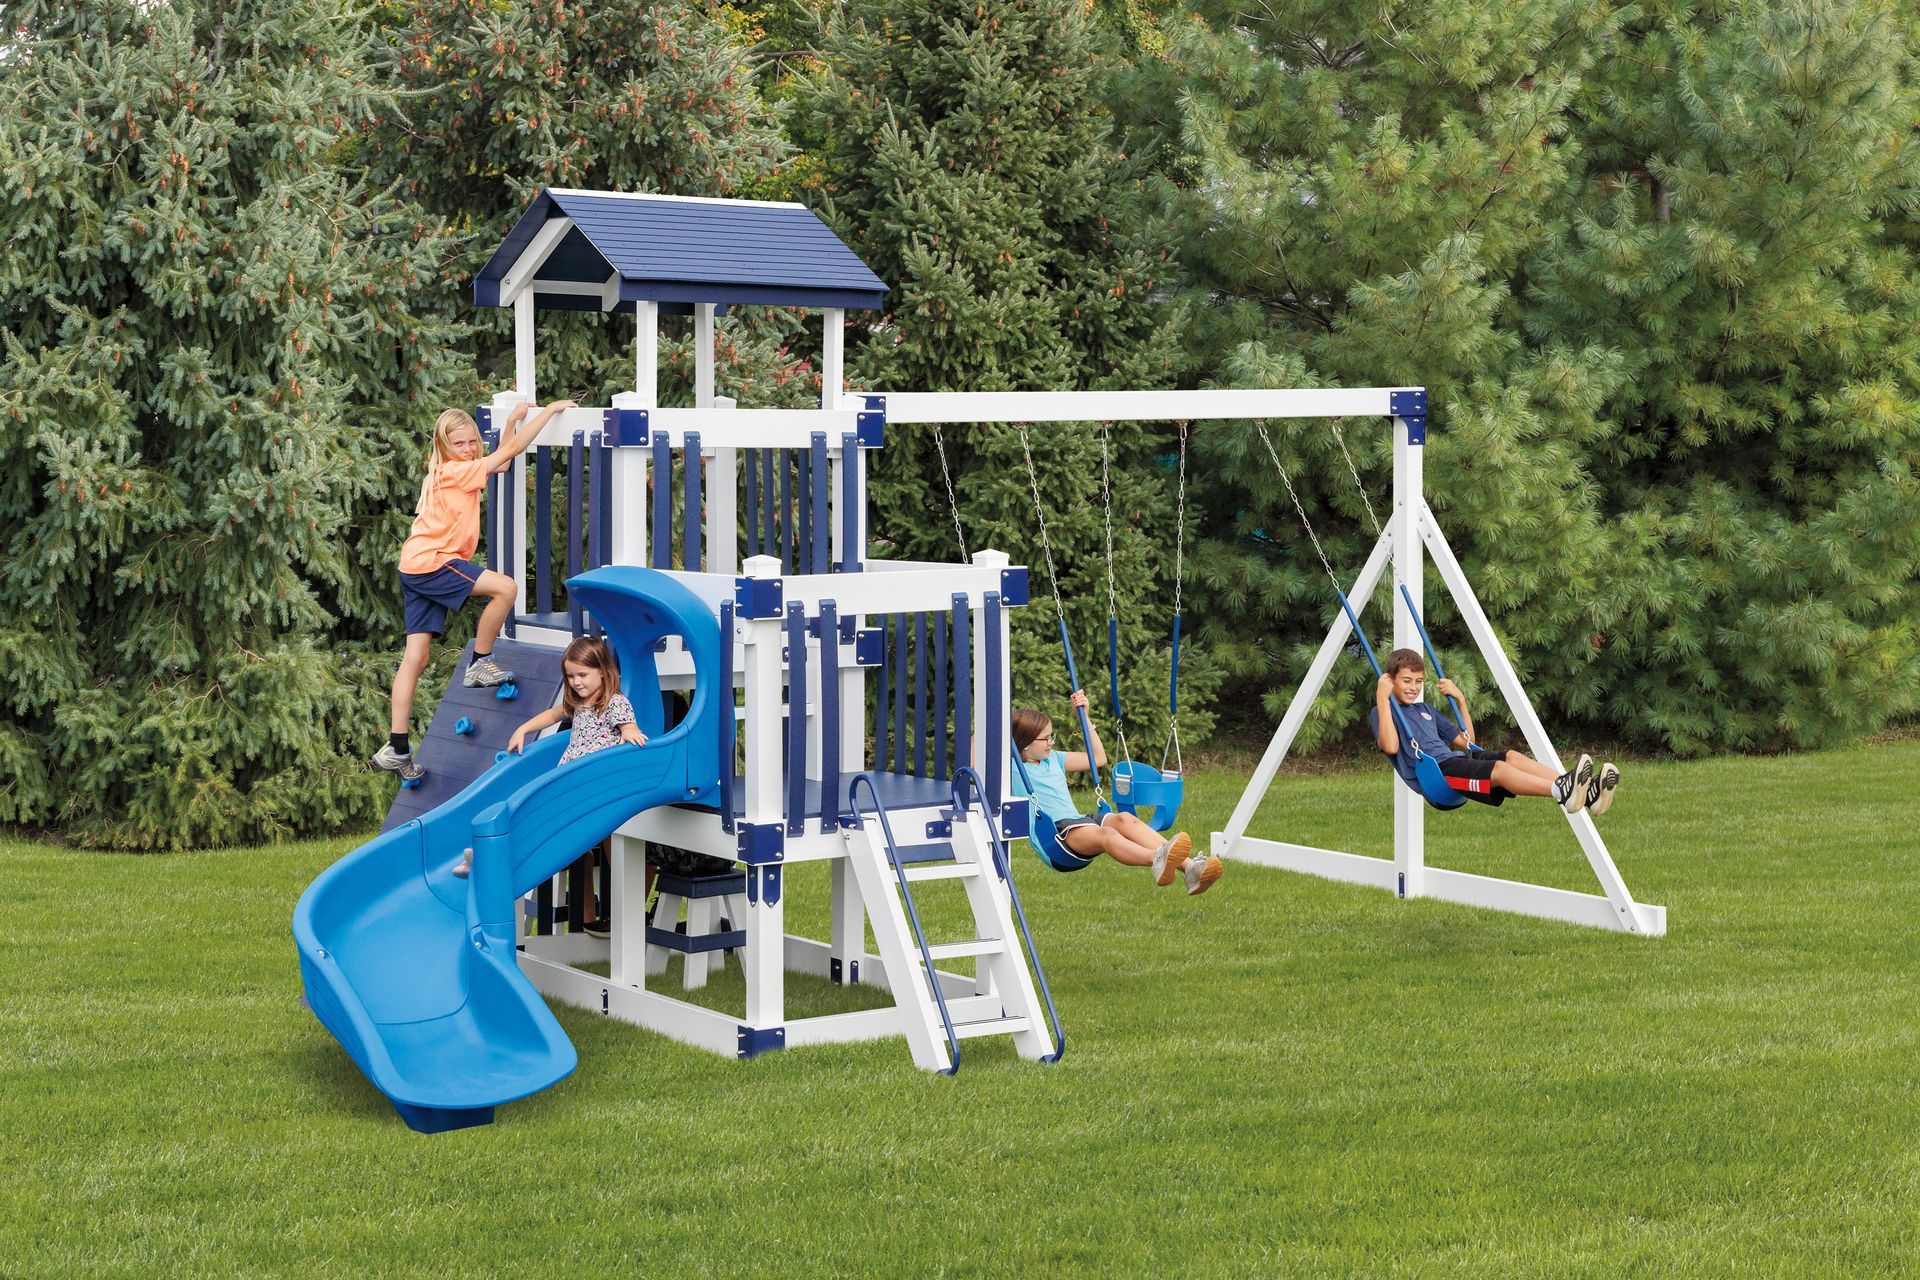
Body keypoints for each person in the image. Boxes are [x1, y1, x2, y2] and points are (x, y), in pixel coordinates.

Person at [372, 399, 576, 781]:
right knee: (506, 589)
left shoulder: (448, 470)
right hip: (433, 561)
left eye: (472, 443)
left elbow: (503, 462)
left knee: (416, 657)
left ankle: (397, 747)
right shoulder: (456, 471)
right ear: (444, 445)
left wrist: (511, 421)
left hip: (412, 566)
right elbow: (511, 452)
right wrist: (548, 412)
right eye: (459, 444)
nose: (468, 449)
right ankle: (480, 662)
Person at [452, 637, 646, 915]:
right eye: (571, 676)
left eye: (583, 675)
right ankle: (486, 856)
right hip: (566, 780)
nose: (576, 682)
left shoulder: (614, 702)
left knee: (540, 824)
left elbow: (628, 726)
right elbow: (551, 716)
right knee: (530, 815)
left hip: (588, 785)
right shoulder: (578, 702)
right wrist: (522, 729)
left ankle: (490, 858)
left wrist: (629, 732)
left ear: (603, 671)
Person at [1009, 690, 1223, 895]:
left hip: (1079, 822)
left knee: (1124, 819)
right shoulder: (1009, 767)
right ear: (1025, 742)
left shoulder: (1054, 758)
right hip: (1055, 835)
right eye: (1045, 738)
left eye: (1052, 736)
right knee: (1108, 835)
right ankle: (1156, 859)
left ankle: (1190, 869)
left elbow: (1098, 758)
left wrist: (1085, 718)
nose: (1051, 742)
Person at [1371, 649, 1619, 814]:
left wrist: (1461, 701)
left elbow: (1467, 741)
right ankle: (1561, 789)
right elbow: (1390, 747)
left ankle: (1587, 794)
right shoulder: (1382, 711)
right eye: (1406, 681)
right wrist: (1382, 698)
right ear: (1390, 680)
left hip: (1454, 760)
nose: (1414, 688)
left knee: (1510, 756)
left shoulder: (1426, 710)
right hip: (1438, 775)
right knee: (1499, 770)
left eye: (1418, 682)